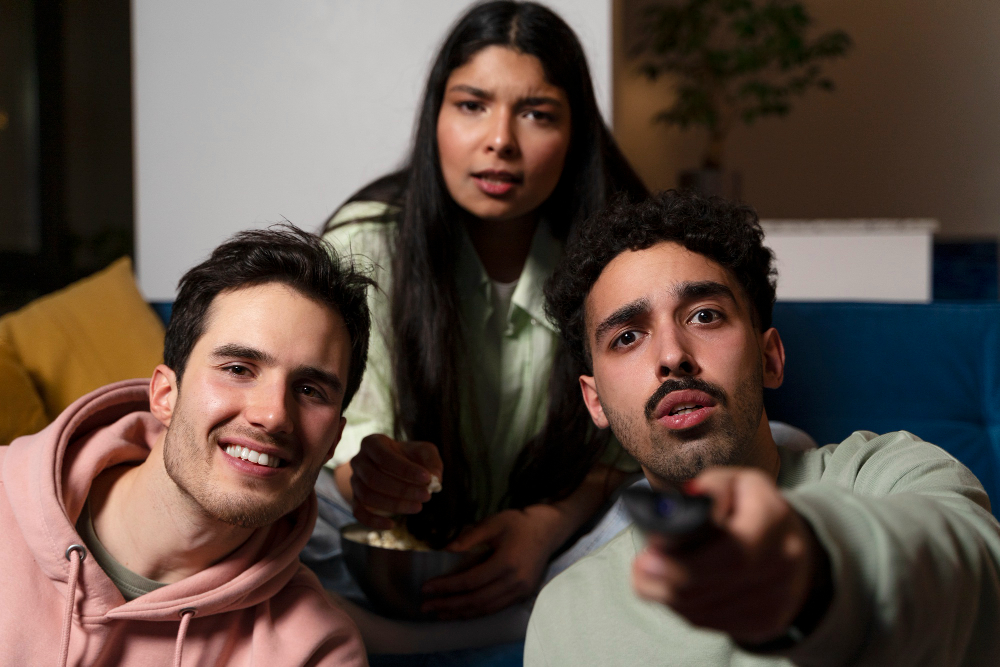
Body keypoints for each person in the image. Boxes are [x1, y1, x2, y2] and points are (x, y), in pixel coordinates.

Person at [524, 191, 1000, 665]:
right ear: (595, 401)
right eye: (627, 337)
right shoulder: (566, 617)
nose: (672, 356)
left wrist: (812, 571)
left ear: (770, 358)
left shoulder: (892, 473)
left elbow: (973, 575)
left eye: (704, 315)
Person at [309, 0, 649, 632]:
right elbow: (351, 454)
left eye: (537, 113)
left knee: (756, 456)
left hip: (559, 547)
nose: (500, 140)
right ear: (435, 116)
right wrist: (379, 480)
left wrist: (544, 528)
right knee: (270, 502)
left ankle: (475, 626)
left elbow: (632, 452)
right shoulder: (366, 242)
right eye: (471, 105)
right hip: (396, 549)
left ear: (575, 133)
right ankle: (530, 627)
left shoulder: (621, 254)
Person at [0, 226, 370, 666]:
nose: (273, 415)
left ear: (333, 441)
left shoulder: (317, 650)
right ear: (164, 395)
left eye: (310, 390)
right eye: (238, 368)